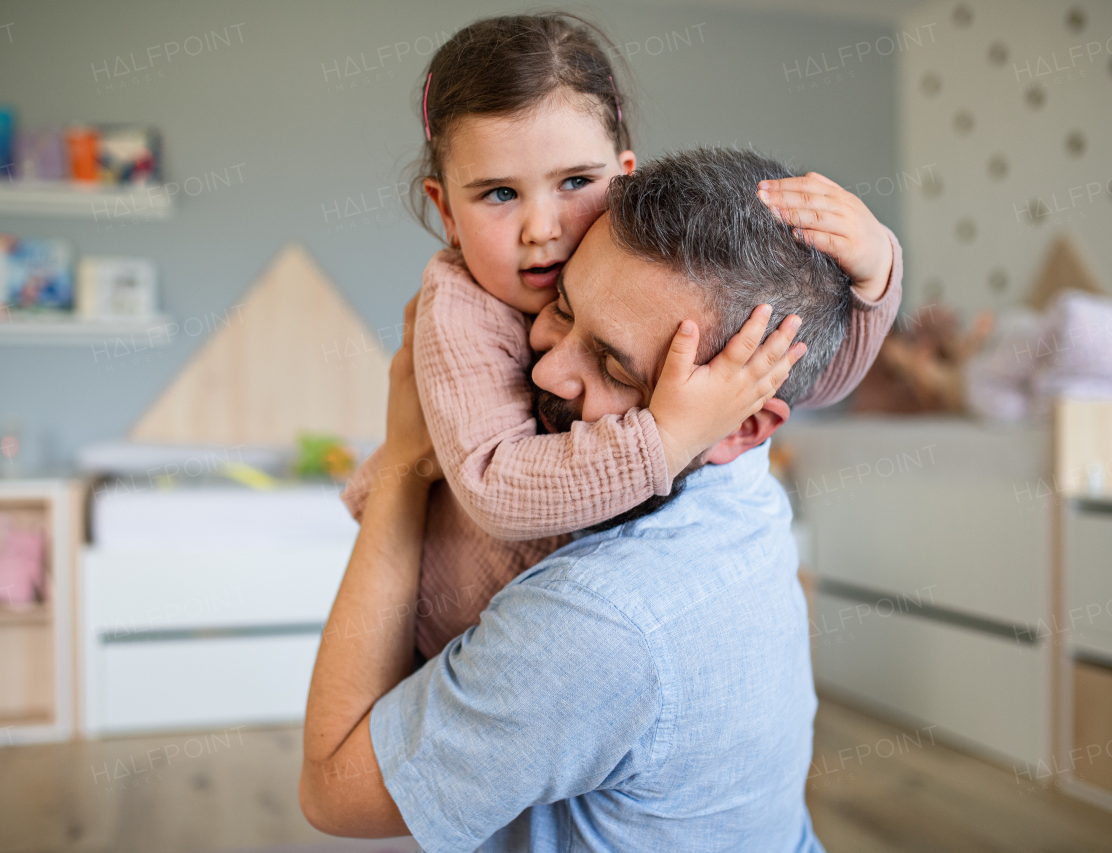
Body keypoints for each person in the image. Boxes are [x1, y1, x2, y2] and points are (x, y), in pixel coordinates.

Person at [300, 146, 866, 852]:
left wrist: (402, 467)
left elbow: (331, 789)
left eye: (609, 363)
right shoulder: (736, 478)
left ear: (742, 424)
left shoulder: (593, 623)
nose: (544, 363)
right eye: (561, 306)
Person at [340, 13, 903, 659]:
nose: (541, 227)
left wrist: (876, 272)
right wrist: (665, 438)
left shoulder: (632, 259)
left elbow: (808, 378)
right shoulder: (458, 308)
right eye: (499, 194)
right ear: (445, 210)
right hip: (441, 621)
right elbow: (495, 485)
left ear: (622, 174)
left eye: (575, 182)